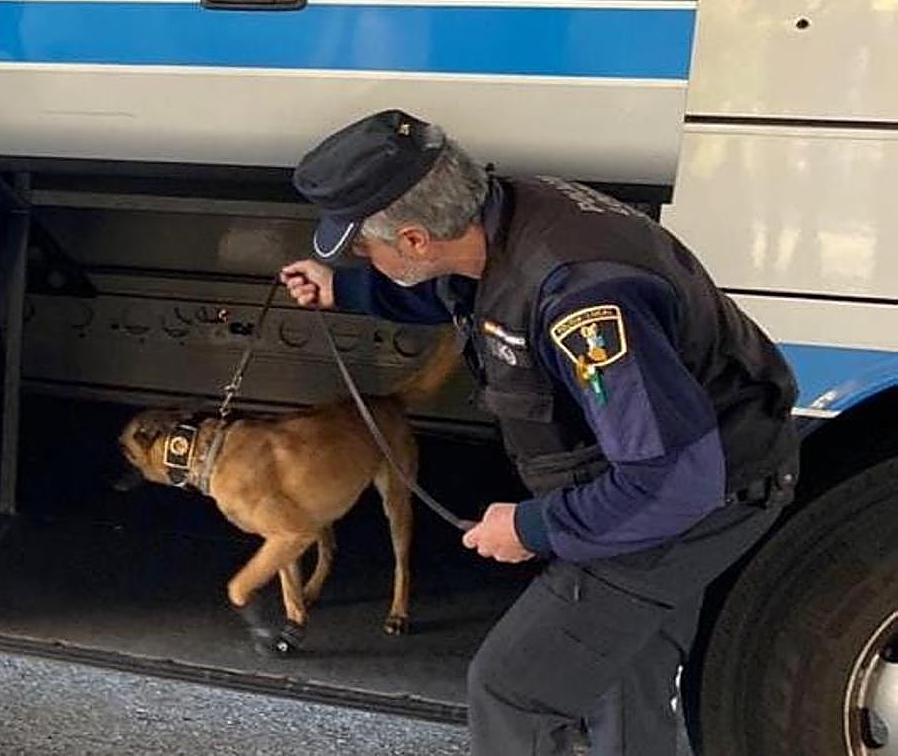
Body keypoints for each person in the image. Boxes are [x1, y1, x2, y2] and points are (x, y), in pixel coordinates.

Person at [280, 109, 798, 755]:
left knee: (514, 691)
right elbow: (472, 291)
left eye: (364, 248)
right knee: (619, 677)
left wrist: (532, 528)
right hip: (701, 475)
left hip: (692, 499)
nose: (365, 256)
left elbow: (672, 481)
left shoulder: (585, 298)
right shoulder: (509, 213)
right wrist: (350, 288)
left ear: (415, 240)